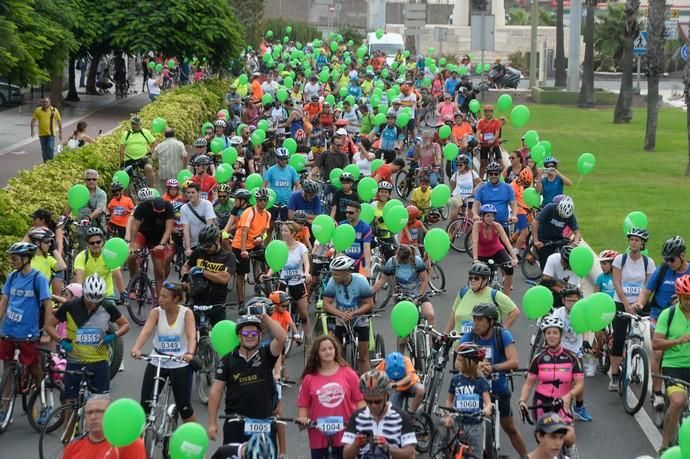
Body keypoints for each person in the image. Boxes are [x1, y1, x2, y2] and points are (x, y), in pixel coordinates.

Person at [45, 274, 130, 406]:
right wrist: (61, 340)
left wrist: (114, 336)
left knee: (99, 408)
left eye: (97, 302)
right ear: (83, 294)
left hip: (99, 362)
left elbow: (125, 325)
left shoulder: (107, 306)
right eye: (89, 301)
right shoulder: (70, 306)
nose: (92, 305)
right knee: (69, 404)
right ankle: (69, 427)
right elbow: (49, 326)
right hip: (75, 361)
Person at [207, 313, 287, 445]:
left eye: (254, 333)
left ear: (259, 336)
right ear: (239, 337)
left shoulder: (266, 354)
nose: (250, 336)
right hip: (235, 424)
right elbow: (216, 391)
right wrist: (212, 423)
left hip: (263, 423)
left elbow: (282, 337)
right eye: (245, 333)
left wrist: (265, 317)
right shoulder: (227, 360)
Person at [460, 303, 528, 458]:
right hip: (475, 389)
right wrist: (474, 369)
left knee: (510, 428)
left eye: (480, 320)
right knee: (464, 427)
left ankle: (526, 456)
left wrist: (493, 367)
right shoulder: (470, 336)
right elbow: (458, 360)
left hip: (498, 387)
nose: (475, 323)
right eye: (474, 319)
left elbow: (514, 361)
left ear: (490, 321)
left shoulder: (502, 335)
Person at [130, 281, 196, 423]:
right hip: (157, 360)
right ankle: (143, 439)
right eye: (160, 295)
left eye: (165, 297)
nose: (160, 299)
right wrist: (136, 348)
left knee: (185, 408)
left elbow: (191, 335)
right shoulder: (156, 312)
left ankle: (193, 438)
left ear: (176, 299)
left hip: (179, 363)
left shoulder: (186, 313)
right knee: (145, 405)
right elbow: (146, 331)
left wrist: (190, 353)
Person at [635, 236, 690, 406]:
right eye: (666, 259)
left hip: (683, 315)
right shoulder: (663, 270)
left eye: (672, 259)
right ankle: (657, 392)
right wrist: (640, 303)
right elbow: (646, 291)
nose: (669, 262)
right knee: (658, 352)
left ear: (682, 255)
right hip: (659, 315)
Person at [0, 242, 52, 415]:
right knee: (7, 366)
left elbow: (47, 305)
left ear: (25, 259)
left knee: (34, 367)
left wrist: (45, 331)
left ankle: (44, 402)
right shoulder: (12, 278)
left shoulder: (39, 279)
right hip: (9, 331)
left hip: (28, 333)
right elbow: (4, 302)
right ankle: (4, 407)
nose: (12, 261)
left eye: (14, 258)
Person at [519, 316, 582, 457]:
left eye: (555, 332)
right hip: (542, 403)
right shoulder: (538, 358)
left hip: (562, 404)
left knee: (569, 436)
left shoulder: (572, 358)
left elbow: (580, 384)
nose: (552, 336)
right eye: (548, 333)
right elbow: (528, 384)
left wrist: (569, 395)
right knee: (547, 442)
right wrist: (522, 400)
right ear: (545, 336)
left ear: (561, 335)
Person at [296, 334, 366, 459]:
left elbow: (360, 401)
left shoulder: (349, 373)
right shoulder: (309, 379)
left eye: (330, 348)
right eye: (323, 350)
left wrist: (362, 421)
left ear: (336, 350)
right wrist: (302, 419)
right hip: (318, 435)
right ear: (317, 354)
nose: (328, 352)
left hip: (347, 433)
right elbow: (303, 405)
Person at [610, 228, 655, 391]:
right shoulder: (619, 260)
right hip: (622, 302)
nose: (633, 242)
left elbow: (648, 287)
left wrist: (639, 304)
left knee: (648, 330)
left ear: (642, 243)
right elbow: (617, 283)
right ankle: (614, 376)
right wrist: (627, 305)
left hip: (640, 303)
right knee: (619, 338)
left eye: (637, 240)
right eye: (631, 239)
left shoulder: (648, 262)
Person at [652, 275, 690, 454]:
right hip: (674, 365)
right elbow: (656, 344)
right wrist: (678, 341)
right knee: (677, 401)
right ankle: (665, 444)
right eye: (686, 298)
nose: (689, 302)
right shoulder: (668, 314)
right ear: (679, 296)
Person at [342, 370, 417, 458]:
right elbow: (346, 455)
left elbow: (411, 455)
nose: (373, 406)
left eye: (377, 401)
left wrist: (388, 448)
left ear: (387, 396)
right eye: (368, 401)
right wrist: (356, 445)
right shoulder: (356, 417)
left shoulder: (403, 417)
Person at [261, 222, 312, 349]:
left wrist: (306, 273)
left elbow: (306, 263)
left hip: (298, 284)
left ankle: (309, 342)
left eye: (286, 231)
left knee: (303, 314)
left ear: (293, 233)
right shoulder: (280, 247)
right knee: (276, 312)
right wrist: (268, 274)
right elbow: (275, 265)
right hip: (283, 283)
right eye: (282, 231)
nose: (283, 233)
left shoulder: (301, 247)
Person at [323, 256, 375, 374]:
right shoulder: (332, 281)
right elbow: (326, 304)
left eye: (336, 274)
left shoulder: (361, 281)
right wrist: (340, 314)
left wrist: (353, 313)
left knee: (363, 356)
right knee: (337, 355)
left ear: (346, 273)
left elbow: (369, 304)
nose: (333, 276)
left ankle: (365, 386)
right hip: (341, 319)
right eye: (333, 274)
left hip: (360, 319)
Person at [551, 285, 593, 422]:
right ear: (563, 301)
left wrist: (586, 342)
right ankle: (559, 405)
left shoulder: (582, 312)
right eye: (569, 300)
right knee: (559, 379)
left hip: (576, 350)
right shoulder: (558, 313)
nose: (572, 303)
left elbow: (586, 329)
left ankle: (580, 407)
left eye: (575, 300)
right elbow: (553, 330)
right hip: (561, 349)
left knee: (578, 380)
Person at [443, 343, 492, 458]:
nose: (456, 363)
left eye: (460, 360)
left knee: (476, 455)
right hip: (458, 424)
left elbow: (488, 402)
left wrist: (487, 410)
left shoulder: (481, 381)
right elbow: (449, 401)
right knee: (453, 452)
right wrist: (448, 415)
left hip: (476, 426)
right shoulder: (456, 380)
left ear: (468, 362)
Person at [445, 262, 520, 336]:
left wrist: (501, 331)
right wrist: (445, 334)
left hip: (483, 345)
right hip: (459, 344)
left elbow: (515, 312)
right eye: (470, 278)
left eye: (476, 278)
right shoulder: (463, 292)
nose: (473, 280)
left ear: (485, 280)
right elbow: (453, 317)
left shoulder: (494, 295)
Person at [62, 395, 146, 458]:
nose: (93, 417)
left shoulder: (129, 444)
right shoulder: (73, 446)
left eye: (100, 411)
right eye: (89, 412)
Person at [181, 225, 234, 325]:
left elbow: (224, 278)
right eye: (203, 246)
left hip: (216, 303)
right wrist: (186, 277)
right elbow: (185, 267)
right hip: (197, 299)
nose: (206, 249)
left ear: (217, 240)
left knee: (218, 336)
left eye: (209, 246)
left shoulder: (228, 257)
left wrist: (203, 271)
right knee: (193, 334)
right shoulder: (199, 252)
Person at [372, 245, 435, 329]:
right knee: (404, 328)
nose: (402, 262)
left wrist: (419, 296)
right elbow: (382, 280)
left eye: (405, 261)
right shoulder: (392, 262)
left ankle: (430, 341)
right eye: (400, 261)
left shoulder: (417, 261)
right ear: (397, 256)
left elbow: (425, 279)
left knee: (430, 315)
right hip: (402, 296)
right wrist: (369, 293)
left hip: (418, 293)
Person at [127, 192, 176, 296]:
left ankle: (159, 300)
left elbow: (169, 229)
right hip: (143, 233)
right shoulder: (143, 206)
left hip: (158, 238)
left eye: (161, 212)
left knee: (159, 271)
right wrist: (131, 244)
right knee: (131, 255)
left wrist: (162, 244)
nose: (158, 213)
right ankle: (133, 279)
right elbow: (135, 226)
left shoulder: (168, 207)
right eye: (156, 211)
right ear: (152, 204)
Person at [231, 188, 271, 307]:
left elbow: (265, 232)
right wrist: (243, 250)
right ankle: (241, 302)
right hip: (240, 244)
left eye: (265, 200)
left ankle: (265, 285)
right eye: (260, 200)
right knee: (241, 274)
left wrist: (261, 238)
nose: (263, 202)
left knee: (268, 259)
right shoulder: (249, 212)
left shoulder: (268, 214)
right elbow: (244, 232)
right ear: (256, 200)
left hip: (255, 244)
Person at [471, 204, 518, 296]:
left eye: (492, 216)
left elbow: (506, 242)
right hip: (482, 253)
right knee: (478, 273)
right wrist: (475, 259)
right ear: (482, 216)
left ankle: (506, 296)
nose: (490, 218)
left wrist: (514, 257)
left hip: (497, 251)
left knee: (509, 268)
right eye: (488, 216)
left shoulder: (497, 226)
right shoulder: (477, 225)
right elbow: (474, 242)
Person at [75, 227, 126, 303]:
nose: (95, 245)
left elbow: (116, 274)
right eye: (92, 243)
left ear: (103, 242)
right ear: (87, 244)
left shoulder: (109, 255)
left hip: (107, 294)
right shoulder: (81, 257)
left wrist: (122, 292)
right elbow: (79, 276)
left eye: (98, 242)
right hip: (88, 296)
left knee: (113, 314)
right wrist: (80, 296)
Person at [532, 196, 581, 269]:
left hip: (557, 238)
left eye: (565, 217)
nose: (562, 218)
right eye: (561, 215)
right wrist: (535, 241)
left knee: (565, 255)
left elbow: (576, 232)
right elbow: (535, 223)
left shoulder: (570, 215)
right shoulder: (550, 208)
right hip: (543, 237)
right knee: (545, 265)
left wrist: (575, 242)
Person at [472, 162, 517, 231]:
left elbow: (513, 205)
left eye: (496, 174)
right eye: (491, 174)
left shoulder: (508, 187)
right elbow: (476, 204)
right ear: (488, 175)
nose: (493, 176)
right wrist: (475, 214)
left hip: (503, 224)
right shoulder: (482, 188)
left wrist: (514, 216)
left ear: (499, 175)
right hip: (486, 224)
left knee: (506, 241)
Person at [264, 147, 300, 229]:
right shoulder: (271, 170)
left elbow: (298, 185)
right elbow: (264, 185)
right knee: (270, 226)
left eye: (286, 159)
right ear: (277, 159)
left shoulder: (292, 170)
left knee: (287, 226)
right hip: (273, 202)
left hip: (287, 203)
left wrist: (295, 197)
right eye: (282, 159)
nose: (284, 161)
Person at [119, 115, 157, 188]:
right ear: (132, 125)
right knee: (126, 178)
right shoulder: (126, 134)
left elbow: (154, 143)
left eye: (139, 124)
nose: (137, 126)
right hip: (129, 159)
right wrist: (122, 162)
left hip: (143, 157)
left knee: (149, 168)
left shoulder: (145, 132)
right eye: (135, 124)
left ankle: (152, 188)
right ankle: (128, 198)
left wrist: (151, 151)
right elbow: (121, 149)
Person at [181, 182, 217, 256]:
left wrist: (207, 245)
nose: (190, 195)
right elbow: (186, 229)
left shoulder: (207, 204)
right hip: (192, 244)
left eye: (193, 192)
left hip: (206, 243)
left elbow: (209, 225)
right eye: (188, 193)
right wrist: (188, 248)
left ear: (199, 193)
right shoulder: (184, 208)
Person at [27, 227, 66, 293]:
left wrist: (54, 249)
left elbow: (62, 267)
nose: (50, 244)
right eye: (47, 242)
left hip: (45, 297)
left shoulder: (48, 258)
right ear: (37, 243)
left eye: (50, 242)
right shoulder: (27, 259)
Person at [339, 201, 372, 278]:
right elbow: (337, 244)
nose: (347, 215)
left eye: (351, 213)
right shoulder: (341, 225)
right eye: (346, 212)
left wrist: (367, 267)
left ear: (358, 212)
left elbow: (367, 248)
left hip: (359, 264)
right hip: (344, 263)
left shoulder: (366, 228)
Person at [77, 169, 108, 244]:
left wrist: (88, 218)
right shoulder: (79, 191)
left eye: (94, 179)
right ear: (85, 180)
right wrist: (64, 216)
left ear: (97, 180)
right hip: (82, 228)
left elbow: (99, 210)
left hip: (97, 227)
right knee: (83, 249)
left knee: (97, 248)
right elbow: (71, 203)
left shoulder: (101, 194)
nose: (91, 181)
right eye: (89, 179)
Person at [449, 154, 481, 222]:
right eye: (457, 165)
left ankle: (467, 232)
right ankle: (451, 231)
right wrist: (453, 194)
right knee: (453, 216)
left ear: (466, 165)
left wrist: (475, 189)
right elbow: (452, 185)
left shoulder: (472, 173)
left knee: (470, 218)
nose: (459, 167)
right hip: (458, 197)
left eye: (461, 165)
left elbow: (480, 183)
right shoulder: (456, 175)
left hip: (469, 197)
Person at [31, 97, 63, 162]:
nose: (45, 103)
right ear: (41, 103)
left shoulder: (54, 110)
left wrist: (60, 133)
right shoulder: (38, 110)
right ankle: (45, 162)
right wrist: (32, 131)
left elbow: (59, 122)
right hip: (42, 134)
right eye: (43, 102)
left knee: (50, 148)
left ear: (50, 103)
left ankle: (50, 162)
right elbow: (33, 121)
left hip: (51, 133)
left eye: (46, 102)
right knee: (44, 150)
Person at [476, 105, 502, 177]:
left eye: (489, 112)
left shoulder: (496, 122)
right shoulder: (481, 122)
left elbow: (497, 133)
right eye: (486, 112)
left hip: (494, 144)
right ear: (484, 113)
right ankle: (480, 180)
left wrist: (493, 139)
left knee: (500, 161)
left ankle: (501, 177)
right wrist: (478, 140)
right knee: (483, 163)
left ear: (492, 112)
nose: (488, 113)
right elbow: (478, 132)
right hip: (484, 144)